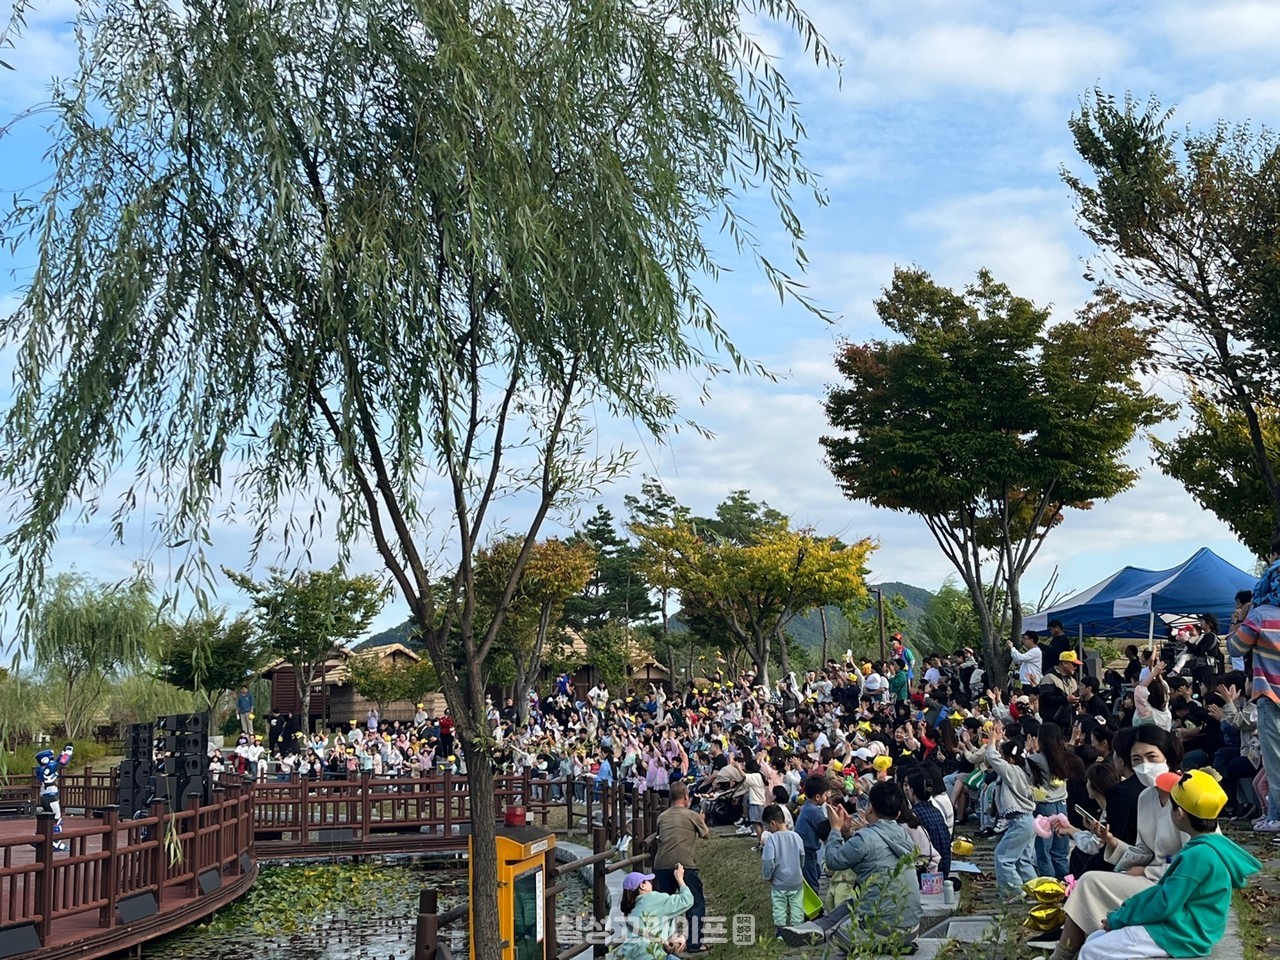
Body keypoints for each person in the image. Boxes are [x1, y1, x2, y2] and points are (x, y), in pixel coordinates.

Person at [1076, 770, 1261, 960]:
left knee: (1092, 950)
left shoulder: (1198, 855)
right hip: (1186, 928)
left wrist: (1120, 917)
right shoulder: (1210, 848)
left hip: (1182, 935)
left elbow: (1163, 902)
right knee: (1096, 938)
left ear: (1179, 812)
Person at [820, 780, 923, 945]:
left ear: (869, 808)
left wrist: (835, 830)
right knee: (852, 903)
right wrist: (848, 832)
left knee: (836, 936)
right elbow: (869, 852)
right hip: (912, 929)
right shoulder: (902, 835)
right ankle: (819, 926)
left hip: (881, 930)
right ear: (897, 814)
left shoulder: (865, 838)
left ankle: (820, 930)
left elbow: (833, 861)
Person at [1228, 539, 1280, 832]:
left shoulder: (1260, 616)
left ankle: (1276, 814)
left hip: (1270, 696)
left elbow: (1236, 648)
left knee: (1274, 762)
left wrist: (1239, 621)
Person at [652, 781, 709, 954]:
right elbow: (705, 834)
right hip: (685, 866)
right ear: (686, 797)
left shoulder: (662, 816)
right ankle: (693, 944)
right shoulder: (692, 815)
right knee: (695, 904)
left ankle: (662, 943)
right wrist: (702, 820)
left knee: (663, 905)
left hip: (661, 865)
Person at [985, 720, 1037, 896]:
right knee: (1023, 860)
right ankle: (1037, 892)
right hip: (1028, 820)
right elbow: (1006, 754)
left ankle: (1015, 891)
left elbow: (993, 758)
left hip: (1020, 821)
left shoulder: (1011, 771)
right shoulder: (1022, 768)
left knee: (1003, 857)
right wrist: (999, 740)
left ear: (1008, 760)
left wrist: (992, 741)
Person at [617, 867, 694, 960]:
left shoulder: (631, 907)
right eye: (648, 881)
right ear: (642, 885)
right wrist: (680, 879)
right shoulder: (653, 898)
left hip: (631, 954)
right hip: (651, 954)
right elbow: (687, 900)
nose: (651, 883)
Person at [761, 803, 806, 938]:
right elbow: (802, 856)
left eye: (767, 826)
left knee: (779, 907)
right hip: (796, 880)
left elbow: (768, 860)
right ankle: (797, 929)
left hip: (779, 881)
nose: (768, 829)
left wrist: (767, 876)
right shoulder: (796, 836)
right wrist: (799, 870)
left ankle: (781, 932)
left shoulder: (771, 840)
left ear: (773, 823)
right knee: (797, 906)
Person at [794, 774, 830, 894]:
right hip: (807, 851)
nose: (827, 797)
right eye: (826, 795)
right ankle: (815, 910)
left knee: (814, 874)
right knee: (812, 881)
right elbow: (826, 829)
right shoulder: (814, 811)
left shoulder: (806, 806)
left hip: (803, 850)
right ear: (818, 797)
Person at [34, 744, 74, 851]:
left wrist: (62, 753)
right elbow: (61, 762)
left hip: (46, 797)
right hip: (50, 798)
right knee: (57, 819)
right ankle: (55, 842)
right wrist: (68, 752)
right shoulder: (47, 769)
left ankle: (38, 838)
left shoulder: (42, 769)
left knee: (47, 819)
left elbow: (56, 762)